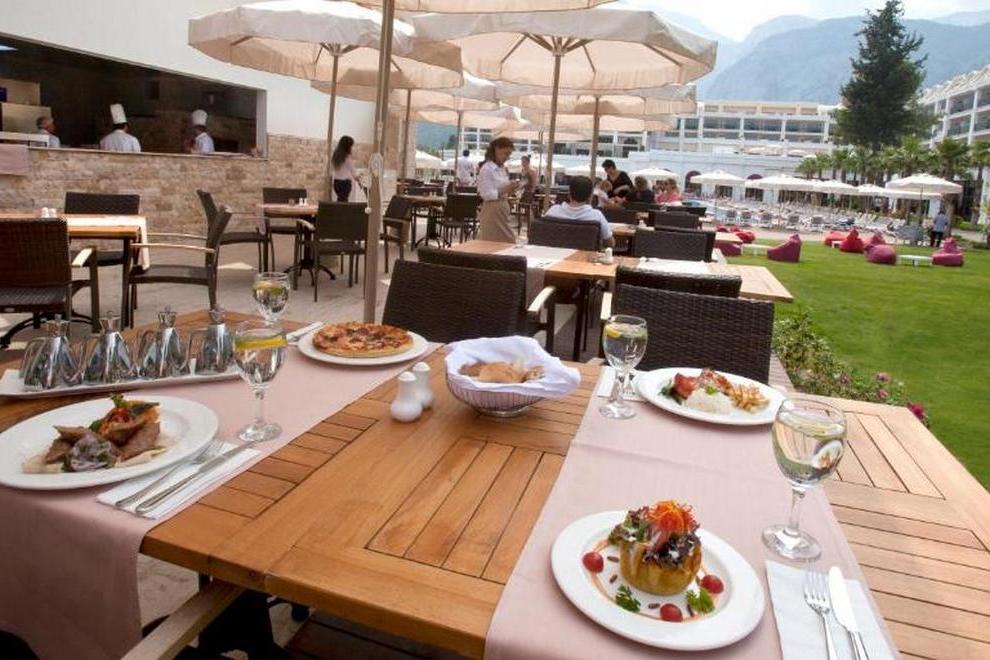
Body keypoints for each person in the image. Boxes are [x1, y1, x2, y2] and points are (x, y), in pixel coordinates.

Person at [546, 176, 614, 248]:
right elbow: (610, 243)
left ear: (569, 193)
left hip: (556, 253)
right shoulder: (596, 216)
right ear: (590, 196)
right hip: (586, 254)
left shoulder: (553, 211)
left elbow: (543, 233)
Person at [477, 137, 519, 242]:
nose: (507, 157)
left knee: (502, 244)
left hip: (502, 208)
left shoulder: (502, 169)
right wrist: (505, 189)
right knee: (503, 242)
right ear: (496, 149)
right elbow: (485, 194)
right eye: (505, 153)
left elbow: (503, 191)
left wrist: (511, 189)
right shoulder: (487, 169)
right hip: (492, 210)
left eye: (509, 155)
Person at [331, 135, 356, 202]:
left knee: (340, 200)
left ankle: (338, 208)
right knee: (344, 201)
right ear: (348, 147)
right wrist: (358, 179)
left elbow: (333, 167)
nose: (351, 148)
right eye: (351, 146)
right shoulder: (347, 157)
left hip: (336, 182)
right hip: (345, 183)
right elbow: (353, 171)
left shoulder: (335, 156)